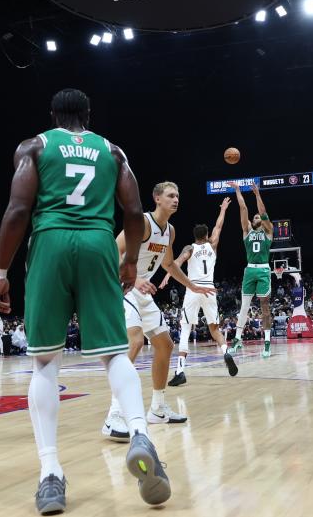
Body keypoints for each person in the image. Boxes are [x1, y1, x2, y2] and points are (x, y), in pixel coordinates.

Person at [0, 89, 170, 514]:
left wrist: (0, 272)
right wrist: (128, 260)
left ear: (51, 115)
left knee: (45, 362)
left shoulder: (34, 145)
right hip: (97, 243)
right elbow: (133, 209)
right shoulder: (112, 150)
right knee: (114, 353)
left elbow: (17, 209)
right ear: (88, 116)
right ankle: (141, 433)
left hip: (51, 242)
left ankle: (51, 475)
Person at [102, 181, 214, 438]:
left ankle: (157, 409)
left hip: (142, 293)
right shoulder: (141, 223)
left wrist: (193, 286)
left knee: (165, 345)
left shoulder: (170, 231)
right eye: (171, 195)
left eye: (178, 195)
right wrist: (133, 277)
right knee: (135, 342)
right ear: (157, 199)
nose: (176, 199)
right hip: (123, 287)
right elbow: (111, 250)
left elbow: (169, 265)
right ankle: (114, 414)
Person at [167, 197, 238, 386]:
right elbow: (219, 226)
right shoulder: (212, 245)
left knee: (185, 329)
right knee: (214, 328)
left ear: (194, 235)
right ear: (206, 235)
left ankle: (180, 371)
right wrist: (223, 209)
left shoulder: (189, 248)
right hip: (209, 289)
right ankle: (225, 352)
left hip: (193, 288)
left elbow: (179, 261)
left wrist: (168, 275)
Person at [232, 182, 276, 358]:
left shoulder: (268, 232)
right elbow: (243, 208)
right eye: (255, 217)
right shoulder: (247, 231)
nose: (257, 217)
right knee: (244, 307)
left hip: (264, 270)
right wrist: (237, 190)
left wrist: (257, 194)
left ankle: (266, 342)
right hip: (249, 270)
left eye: (259, 217)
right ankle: (237, 339)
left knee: (265, 307)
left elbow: (264, 213)